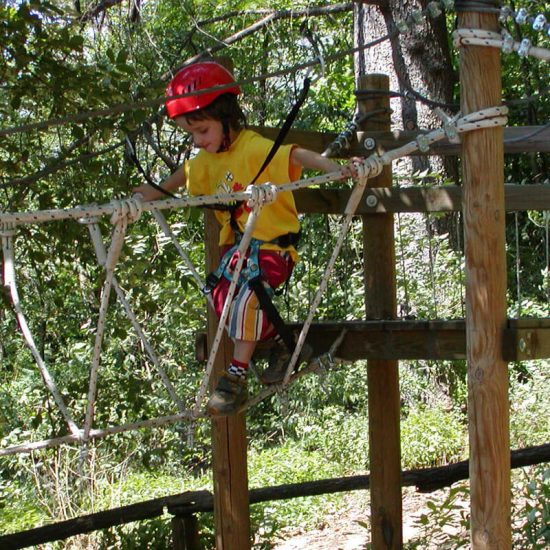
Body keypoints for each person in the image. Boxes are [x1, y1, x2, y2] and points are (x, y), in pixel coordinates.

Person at [134, 61, 355, 415]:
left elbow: (295, 155)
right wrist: (129, 202)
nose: (199, 141)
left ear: (226, 117)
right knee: (221, 300)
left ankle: (234, 378)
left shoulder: (253, 147)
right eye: (192, 135)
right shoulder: (204, 162)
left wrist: (338, 168)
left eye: (203, 130)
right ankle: (283, 343)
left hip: (271, 247)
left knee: (247, 301)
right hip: (235, 250)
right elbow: (164, 186)